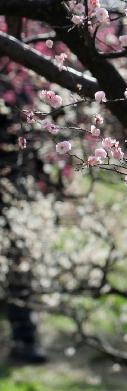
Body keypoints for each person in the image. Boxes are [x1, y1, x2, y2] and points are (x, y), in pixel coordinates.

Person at [0, 77, 48, 364]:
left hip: (13, 186)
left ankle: (23, 339)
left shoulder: (15, 84)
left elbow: (30, 139)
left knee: (19, 262)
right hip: (15, 182)